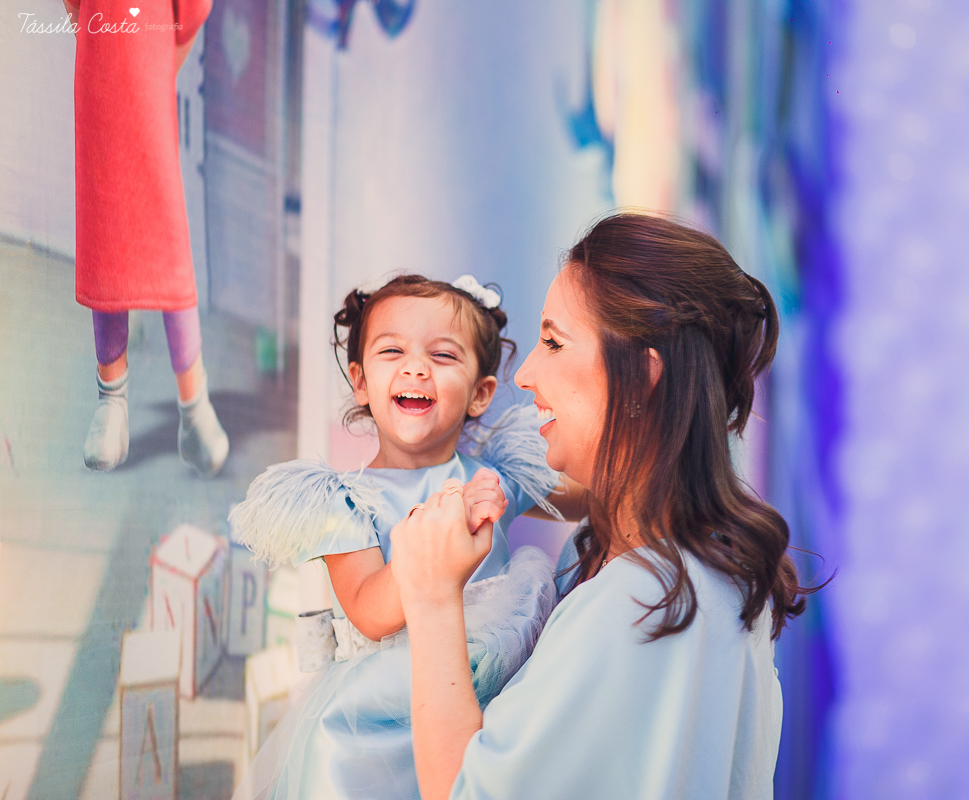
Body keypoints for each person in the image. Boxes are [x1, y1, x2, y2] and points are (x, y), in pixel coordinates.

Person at [393, 213, 818, 800]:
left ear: (641, 378)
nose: (525, 374)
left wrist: (431, 597)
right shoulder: (713, 581)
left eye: (554, 342)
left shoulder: (642, 601)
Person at [229, 273, 585, 799]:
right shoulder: (345, 503)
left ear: (481, 393)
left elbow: (589, 495)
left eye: (442, 357)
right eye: (392, 350)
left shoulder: (494, 476)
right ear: (361, 382)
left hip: (492, 704)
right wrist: (434, 548)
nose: (416, 367)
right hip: (376, 724)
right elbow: (369, 611)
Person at [64, 0, 230, 475]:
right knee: (104, 226)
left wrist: (161, 68)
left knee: (166, 238)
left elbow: (194, 10)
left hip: (150, 68)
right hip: (99, 70)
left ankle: (193, 404)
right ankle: (111, 397)